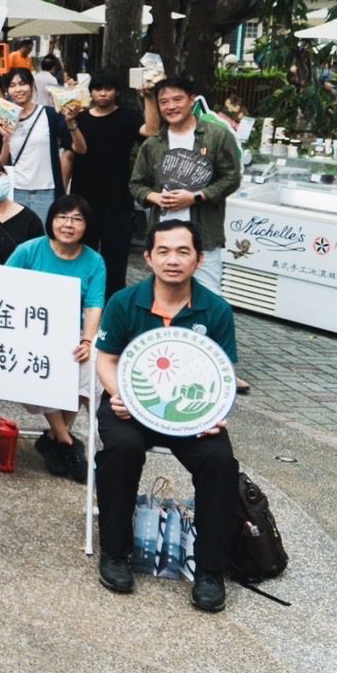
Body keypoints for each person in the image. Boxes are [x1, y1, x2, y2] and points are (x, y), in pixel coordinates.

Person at [93, 220, 241, 613]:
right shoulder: (124, 302)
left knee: (220, 462)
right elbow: (106, 359)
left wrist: (218, 411)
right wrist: (117, 393)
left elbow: (224, 375)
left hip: (188, 412)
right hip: (131, 404)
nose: (172, 260)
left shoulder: (217, 309)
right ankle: (115, 553)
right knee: (121, 450)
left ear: (198, 258)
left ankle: (210, 570)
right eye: (163, 251)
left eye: (182, 252)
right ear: (148, 257)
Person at [5, 194, 106, 479]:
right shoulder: (30, 250)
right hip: (29, 331)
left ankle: (55, 438)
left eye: (77, 219)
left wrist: (87, 340)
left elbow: (94, 304)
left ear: (87, 225)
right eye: (62, 217)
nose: (68, 224)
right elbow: (2, 287)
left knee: (92, 364)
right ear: (51, 220)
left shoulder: (94, 260)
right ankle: (65, 441)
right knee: (50, 362)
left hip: (72, 333)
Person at [129, 76, 242, 297]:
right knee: (164, 295)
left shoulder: (216, 135)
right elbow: (136, 184)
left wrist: (196, 197)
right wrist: (154, 197)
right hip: (163, 234)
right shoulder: (153, 144)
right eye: (164, 102)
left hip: (204, 235)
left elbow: (231, 178)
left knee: (208, 295)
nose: (171, 106)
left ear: (191, 100)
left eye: (177, 99)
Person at [71, 68, 152, 300]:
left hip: (117, 199)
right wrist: (72, 123)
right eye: (98, 89)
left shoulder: (128, 116)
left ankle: (112, 310)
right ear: (91, 92)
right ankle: (79, 305)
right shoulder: (81, 117)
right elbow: (78, 149)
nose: (103, 94)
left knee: (115, 262)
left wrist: (148, 97)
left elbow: (152, 131)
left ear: (117, 92)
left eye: (108, 89)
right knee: (79, 256)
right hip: (83, 199)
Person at [0, 67, 75, 220]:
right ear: (7, 90)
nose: (18, 89)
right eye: (12, 85)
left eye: (22, 83)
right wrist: (5, 139)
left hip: (46, 191)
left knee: (44, 239)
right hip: (15, 191)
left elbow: (71, 146)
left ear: (32, 86)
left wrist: (62, 180)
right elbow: (1, 164)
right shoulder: (4, 118)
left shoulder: (49, 114)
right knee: (18, 240)